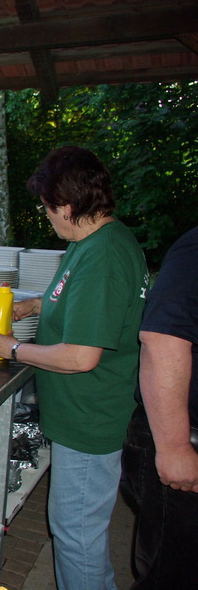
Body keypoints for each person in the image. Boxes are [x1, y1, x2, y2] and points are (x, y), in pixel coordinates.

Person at [0, 146, 148, 590]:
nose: (47, 217)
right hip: (82, 414)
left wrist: (14, 349)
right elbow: (86, 302)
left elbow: (81, 356)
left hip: (90, 419)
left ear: (68, 205)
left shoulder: (103, 257)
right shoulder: (94, 241)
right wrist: (37, 305)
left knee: (76, 535)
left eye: (48, 208)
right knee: (76, 530)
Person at [122, 225, 198, 588]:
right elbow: (162, 338)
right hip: (186, 441)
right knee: (173, 574)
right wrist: (175, 448)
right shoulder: (195, 249)